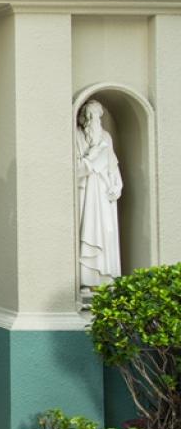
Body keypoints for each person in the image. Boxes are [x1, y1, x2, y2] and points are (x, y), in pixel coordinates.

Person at [76, 98, 122, 289]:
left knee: (106, 231)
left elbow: (112, 165)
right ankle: (87, 279)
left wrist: (117, 185)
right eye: (90, 116)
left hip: (104, 192)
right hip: (86, 192)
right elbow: (76, 170)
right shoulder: (77, 137)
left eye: (97, 117)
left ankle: (106, 277)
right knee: (89, 230)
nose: (94, 121)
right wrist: (92, 155)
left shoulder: (106, 137)